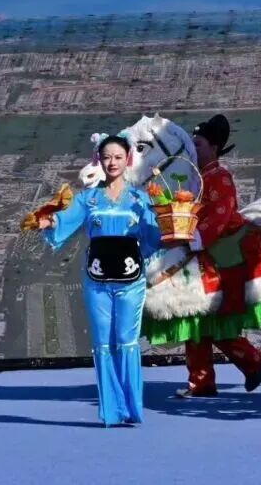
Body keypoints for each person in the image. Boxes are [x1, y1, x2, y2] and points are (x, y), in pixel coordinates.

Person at [37, 132, 168, 427]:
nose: (112, 162)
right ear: (99, 159)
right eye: (107, 157)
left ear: (128, 160)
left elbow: (153, 238)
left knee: (126, 341)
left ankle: (131, 408)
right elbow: (64, 221)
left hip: (131, 282)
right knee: (103, 343)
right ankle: (112, 411)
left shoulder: (140, 199)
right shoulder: (88, 199)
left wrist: (166, 221)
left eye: (118, 157)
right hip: (96, 282)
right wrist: (48, 221)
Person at [145, 113, 261, 398]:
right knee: (194, 315)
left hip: (219, 249)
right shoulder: (193, 178)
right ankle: (220, 372)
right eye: (192, 145)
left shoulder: (220, 177)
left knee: (205, 315)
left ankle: (236, 366)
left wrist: (196, 238)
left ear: (214, 147)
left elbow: (221, 215)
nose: (194, 150)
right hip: (195, 246)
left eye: (198, 144)